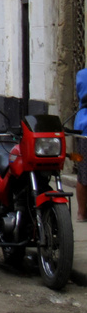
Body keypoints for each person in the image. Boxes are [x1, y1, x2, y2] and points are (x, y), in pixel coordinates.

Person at [75, 69, 87, 223]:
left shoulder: (82, 74)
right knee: (84, 173)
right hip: (85, 128)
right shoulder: (84, 75)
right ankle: (82, 212)